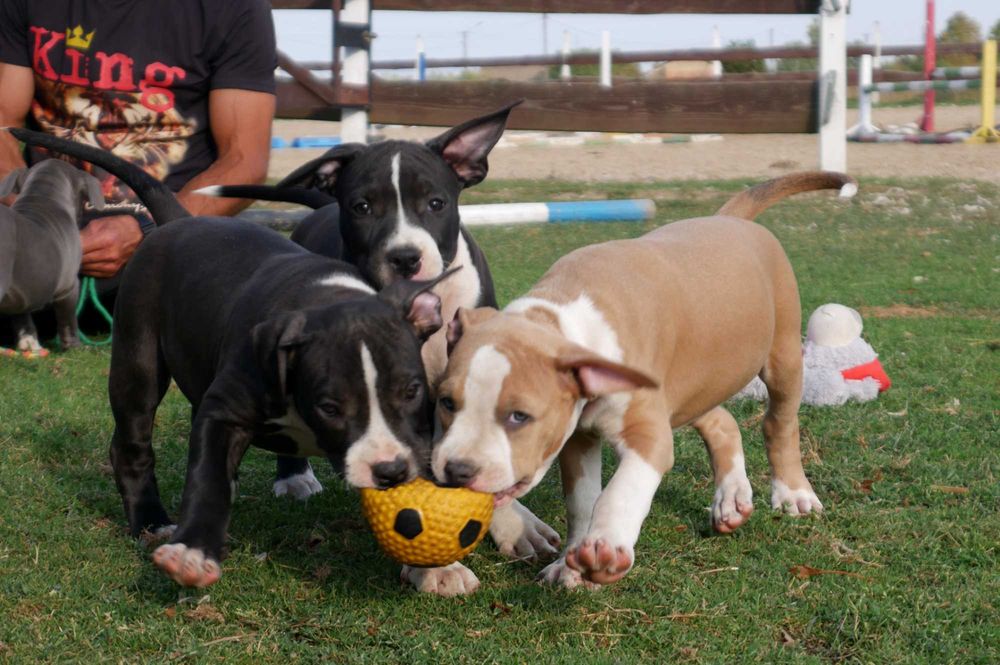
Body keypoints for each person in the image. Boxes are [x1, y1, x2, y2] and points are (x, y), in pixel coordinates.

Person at [0, 1, 277, 324]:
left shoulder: (233, 8)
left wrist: (149, 228)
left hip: (167, 243)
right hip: (43, 241)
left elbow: (244, 161)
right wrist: (25, 211)